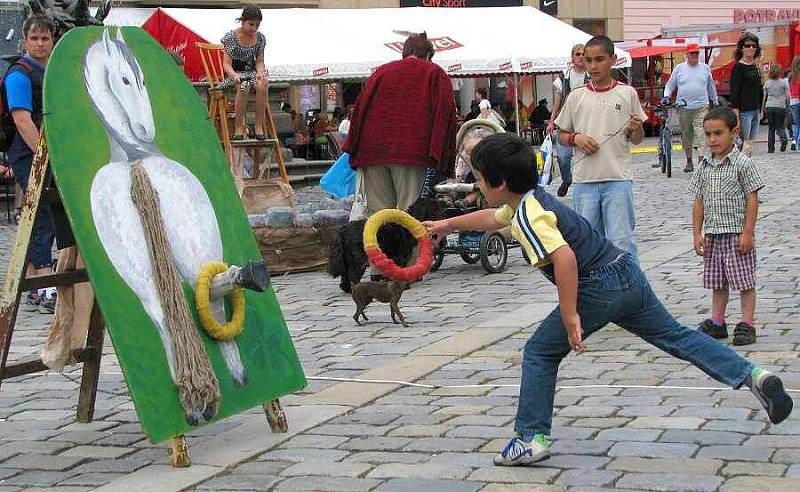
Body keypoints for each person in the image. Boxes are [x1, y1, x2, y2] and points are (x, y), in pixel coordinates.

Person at [423, 132, 793, 467]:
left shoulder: (529, 217)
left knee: (540, 351)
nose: (478, 186)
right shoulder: (529, 201)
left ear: (500, 183)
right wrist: (447, 225)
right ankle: (753, 375)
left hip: (596, 285)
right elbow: (494, 216)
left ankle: (530, 437)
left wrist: (570, 316)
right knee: (676, 336)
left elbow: (565, 259)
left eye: (481, 179)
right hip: (624, 270)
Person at [343, 32, 456, 278]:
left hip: (373, 152)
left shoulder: (381, 72)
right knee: (410, 212)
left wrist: (355, 148)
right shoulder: (433, 73)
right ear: (428, 55)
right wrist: (441, 155)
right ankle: (409, 269)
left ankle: (378, 268)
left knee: (378, 215)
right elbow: (445, 114)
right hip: (412, 151)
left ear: (404, 52)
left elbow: (360, 109)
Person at [553, 36, 647, 259]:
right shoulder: (576, 96)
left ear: (612, 60)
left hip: (617, 178)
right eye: (588, 60)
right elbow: (560, 135)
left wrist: (636, 128)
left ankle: (628, 286)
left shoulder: (627, 93)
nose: (593, 66)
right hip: (585, 180)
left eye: (599, 60)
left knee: (622, 239)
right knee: (588, 240)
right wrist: (576, 139)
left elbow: (637, 139)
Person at [690, 107, 764, 345]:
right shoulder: (704, 165)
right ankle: (718, 321)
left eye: (718, 134)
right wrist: (696, 234)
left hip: (736, 234)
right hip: (713, 235)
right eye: (708, 134)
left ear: (734, 132)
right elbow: (698, 201)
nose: (712, 140)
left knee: (744, 280)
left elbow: (752, 197)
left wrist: (748, 232)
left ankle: (747, 323)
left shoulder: (742, 163)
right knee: (717, 282)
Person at [4, 14, 58, 313]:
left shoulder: (49, 72)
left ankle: (31, 279)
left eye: (45, 38)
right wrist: (43, 155)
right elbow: (22, 119)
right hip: (30, 155)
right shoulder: (19, 75)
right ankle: (43, 287)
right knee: (43, 216)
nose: (40, 44)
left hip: (43, 153)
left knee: (43, 215)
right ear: (25, 40)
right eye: (34, 38)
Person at [661, 43, 719, 172]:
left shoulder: (705, 68)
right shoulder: (679, 69)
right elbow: (670, 85)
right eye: (692, 53)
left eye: (696, 53)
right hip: (684, 106)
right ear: (686, 54)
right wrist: (666, 96)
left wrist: (714, 100)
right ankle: (688, 160)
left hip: (701, 106)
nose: (694, 56)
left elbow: (711, 86)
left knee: (700, 132)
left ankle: (701, 159)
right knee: (687, 134)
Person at [221, 6, 268, 141]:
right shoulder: (231, 37)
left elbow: (260, 61)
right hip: (234, 74)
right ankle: (239, 126)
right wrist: (235, 75)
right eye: (251, 24)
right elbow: (226, 64)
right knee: (244, 86)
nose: (254, 29)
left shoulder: (260, 38)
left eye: (257, 25)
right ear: (243, 21)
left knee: (262, 84)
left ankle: (258, 125)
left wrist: (260, 72)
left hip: (252, 72)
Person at [547, 44, 589, 197]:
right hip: (566, 121)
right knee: (564, 158)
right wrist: (552, 121)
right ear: (572, 57)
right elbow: (557, 101)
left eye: (583, 54)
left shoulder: (591, 75)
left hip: (586, 121)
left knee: (585, 155)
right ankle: (566, 179)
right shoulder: (564, 76)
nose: (580, 57)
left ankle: (583, 186)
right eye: (577, 54)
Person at [730, 33, 763, 157]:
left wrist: (761, 109)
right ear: (742, 48)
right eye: (747, 45)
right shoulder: (738, 68)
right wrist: (736, 116)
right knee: (743, 143)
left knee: (750, 144)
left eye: (753, 46)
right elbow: (734, 92)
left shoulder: (755, 67)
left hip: (755, 109)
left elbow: (760, 89)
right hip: (744, 111)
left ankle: (746, 167)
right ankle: (740, 170)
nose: (750, 48)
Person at [762, 64, 790, 153]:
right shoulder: (783, 83)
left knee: (771, 128)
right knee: (780, 126)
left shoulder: (767, 83)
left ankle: (771, 149)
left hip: (769, 106)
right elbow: (787, 96)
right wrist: (788, 106)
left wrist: (762, 108)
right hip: (780, 107)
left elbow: (764, 97)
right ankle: (784, 138)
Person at [789, 57, 800, 151]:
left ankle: (794, 140)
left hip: (793, 102)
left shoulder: (791, 76)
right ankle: (799, 143)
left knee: (796, 123)